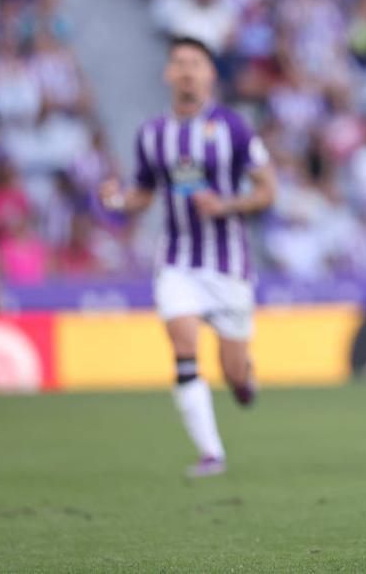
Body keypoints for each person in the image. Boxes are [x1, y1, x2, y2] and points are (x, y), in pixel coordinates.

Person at [99, 36, 276, 477]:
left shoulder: (234, 128)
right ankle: (211, 453)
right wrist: (119, 201)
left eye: (195, 63)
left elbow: (267, 190)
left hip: (229, 264)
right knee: (183, 344)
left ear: (210, 73)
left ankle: (242, 379)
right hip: (176, 261)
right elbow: (142, 193)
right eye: (179, 63)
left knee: (233, 370)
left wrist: (226, 205)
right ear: (167, 74)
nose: (187, 70)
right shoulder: (153, 134)